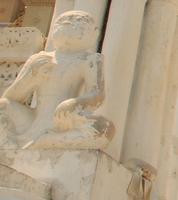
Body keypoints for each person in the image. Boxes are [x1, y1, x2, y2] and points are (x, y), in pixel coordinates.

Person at [0, 10, 114, 150]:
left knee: (103, 130)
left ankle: (47, 140)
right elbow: (11, 98)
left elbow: (97, 95)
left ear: (94, 34)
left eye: (78, 21)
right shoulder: (38, 59)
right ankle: (7, 141)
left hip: (64, 118)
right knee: (3, 105)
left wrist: (75, 102)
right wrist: (32, 75)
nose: (67, 24)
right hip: (32, 117)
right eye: (61, 21)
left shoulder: (90, 60)